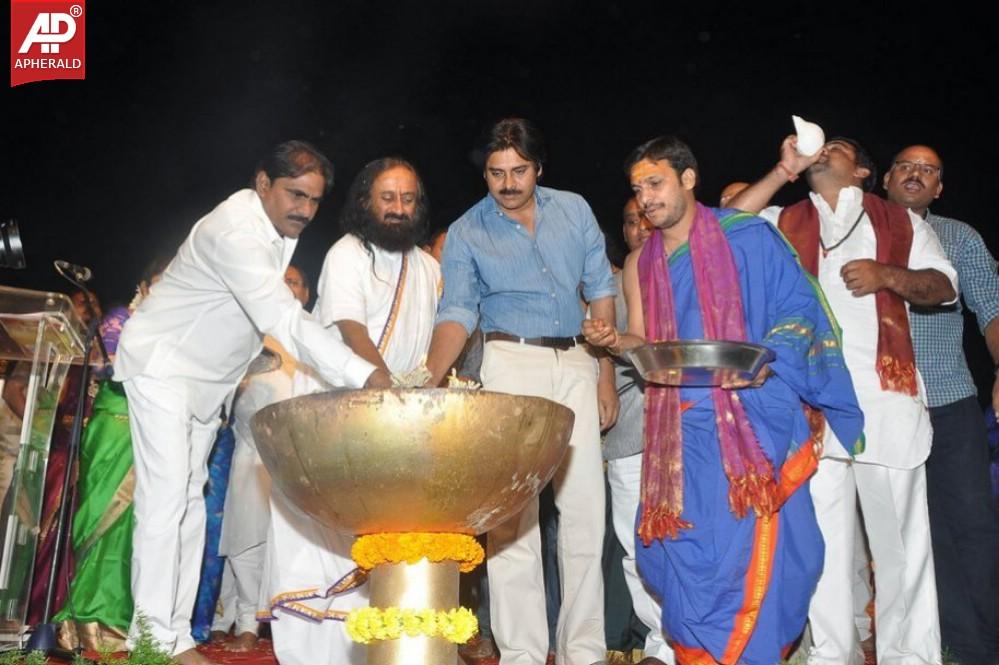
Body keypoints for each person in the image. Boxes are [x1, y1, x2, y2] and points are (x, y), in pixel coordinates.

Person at [583, 135, 863, 665]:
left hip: (749, 423)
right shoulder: (643, 262)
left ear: (689, 180)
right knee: (680, 557)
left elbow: (795, 311)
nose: (645, 198)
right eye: (638, 188)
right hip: (679, 434)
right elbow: (647, 343)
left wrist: (764, 363)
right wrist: (615, 342)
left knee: (758, 557)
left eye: (656, 183)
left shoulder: (747, 238)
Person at [113, 140, 389, 665]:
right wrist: (363, 374)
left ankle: (174, 637)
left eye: (313, 200)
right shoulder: (233, 231)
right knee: (166, 503)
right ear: (263, 183)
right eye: (294, 194)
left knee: (189, 506)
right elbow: (282, 320)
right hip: (162, 365)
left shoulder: (275, 229)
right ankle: (150, 642)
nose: (305, 210)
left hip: (204, 383)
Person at [730, 134, 958, 665]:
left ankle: (910, 656)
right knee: (823, 544)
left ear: (860, 172)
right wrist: (784, 169)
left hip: (884, 401)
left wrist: (888, 276)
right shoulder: (783, 220)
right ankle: (833, 653)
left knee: (899, 545)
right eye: (820, 145)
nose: (824, 149)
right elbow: (726, 225)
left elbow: (943, 288)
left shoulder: (902, 224)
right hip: (811, 408)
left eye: (837, 147)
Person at [424, 118, 618, 665]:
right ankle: (523, 654)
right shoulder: (466, 231)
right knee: (512, 521)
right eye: (495, 173)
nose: (507, 184)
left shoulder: (574, 209)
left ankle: (583, 652)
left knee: (584, 511)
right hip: (509, 363)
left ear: (539, 167)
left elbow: (601, 291)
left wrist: (604, 371)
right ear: (483, 172)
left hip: (577, 359)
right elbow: (457, 312)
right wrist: (428, 379)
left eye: (518, 171)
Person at [262, 157, 440, 665]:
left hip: (392, 420)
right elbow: (349, 330)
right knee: (319, 542)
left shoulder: (428, 268)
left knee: (378, 533)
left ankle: (375, 649)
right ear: (366, 201)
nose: (399, 209)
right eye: (388, 198)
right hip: (333, 409)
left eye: (408, 199)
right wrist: (386, 388)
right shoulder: (347, 254)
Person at [884, 145, 999, 665]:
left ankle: (984, 644)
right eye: (907, 165)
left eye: (929, 169)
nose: (916, 174)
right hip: (881, 407)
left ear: (939, 189)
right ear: (885, 177)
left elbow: (990, 309)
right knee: (908, 534)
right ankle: (944, 644)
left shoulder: (959, 237)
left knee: (971, 524)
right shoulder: (852, 233)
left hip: (949, 402)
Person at [53, 258, 168, 651]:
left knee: (132, 528)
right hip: (113, 428)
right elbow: (104, 366)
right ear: (144, 285)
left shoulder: (174, 329)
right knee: (100, 518)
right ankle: (83, 617)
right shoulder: (122, 317)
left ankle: (115, 618)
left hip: (150, 430)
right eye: (159, 282)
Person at [210, 264, 311, 652]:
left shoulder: (312, 333)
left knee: (284, 542)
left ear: (307, 292)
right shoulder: (249, 331)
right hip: (251, 451)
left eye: (296, 282)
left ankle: (267, 620)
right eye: (282, 280)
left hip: (296, 456)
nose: (288, 286)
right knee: (244, 536)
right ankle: (243, 619)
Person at [601, 198, 672, 665]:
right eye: (630, 221)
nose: (640, 228)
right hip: (627, 430)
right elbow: (606, 355)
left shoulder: (689, 267)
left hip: (686, 428)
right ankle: (660, 643)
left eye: (647, 218)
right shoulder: (606, 287)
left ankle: (688, 638)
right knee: (635, 545)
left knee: (682, 541)